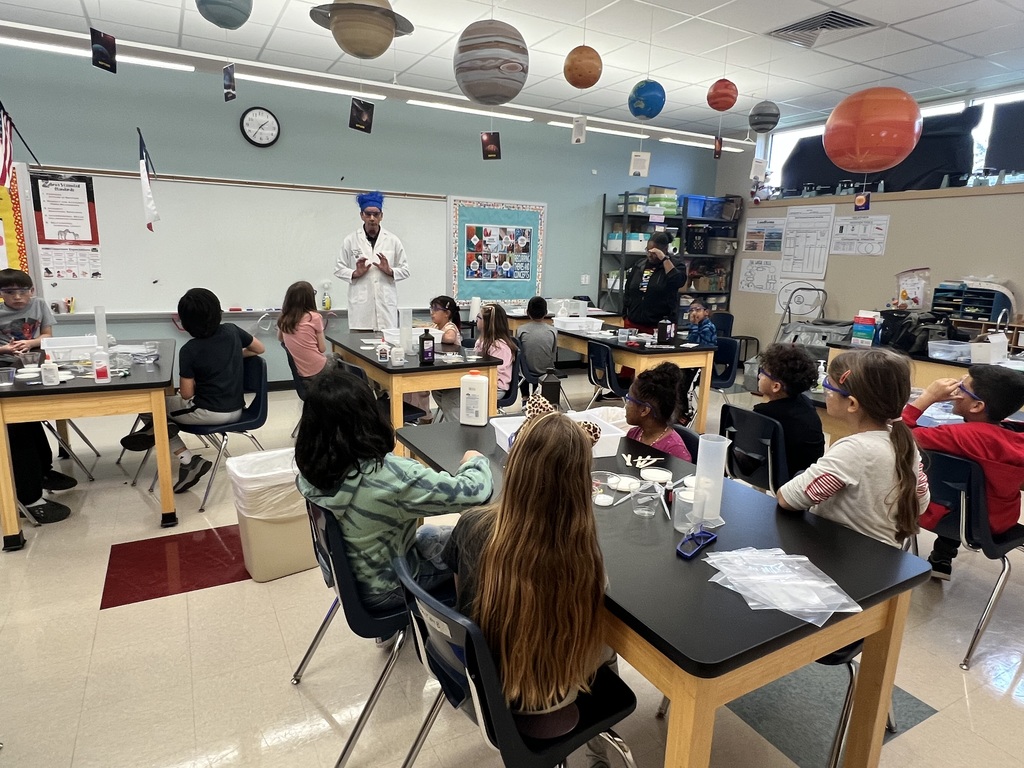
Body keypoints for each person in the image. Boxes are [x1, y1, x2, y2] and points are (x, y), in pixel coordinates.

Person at [441, 411, 613, 760]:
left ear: (514, 467)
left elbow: (463, 601)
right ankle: (600, 750)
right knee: (610, 642)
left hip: (487, 687)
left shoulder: (472, 524)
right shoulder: (585, 559)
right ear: (582, 484)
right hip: (559, 698)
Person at [295, 363, 493, 614]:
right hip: (392, 585)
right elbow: (476, 492)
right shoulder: (390, 478)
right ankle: (472, 626)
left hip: (354, 581)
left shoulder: (312, 471)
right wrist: (475, 460)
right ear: (369, 417)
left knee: (432, 533)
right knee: (478, 538)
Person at [777, 348, 930, 547]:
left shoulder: (854, 450)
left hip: (842, 554)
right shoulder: (904, 442)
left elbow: (788, 498)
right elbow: (922, 502)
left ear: (851, 403)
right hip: (884, 555)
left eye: (828, 387)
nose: (826, 393)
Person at [120, 288, 266, 494]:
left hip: (209, 412)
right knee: (163, 415)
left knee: (149, 406)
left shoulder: (190, 350)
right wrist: (232, 356)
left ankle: (187, 459)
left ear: (185, 323)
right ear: (218, 312)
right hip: (239, 410)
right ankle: (159, 428)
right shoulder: (232, 330)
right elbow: (259, 349)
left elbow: (187, 394)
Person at [901, 365, 1024, 580]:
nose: (955, 391)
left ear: (977, 406)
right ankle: (942, 555)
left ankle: (942, 555)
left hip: (936, 512)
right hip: (993, 523)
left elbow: (896, 435)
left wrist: (927, 397)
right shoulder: (1009, 439)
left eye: (962, 388)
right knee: (970, 492)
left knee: (961, 492)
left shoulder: (958, 436)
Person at [0, 268, 77, 523]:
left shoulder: (40, 305)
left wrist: (30, 344)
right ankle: (29, 496)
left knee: (33, 418)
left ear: (32, 291)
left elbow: (47, 337)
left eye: (23, 291)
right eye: (10, 293)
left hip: (34, 365)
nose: (18, 297)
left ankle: (42, 471)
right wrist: (7, 348)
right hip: (5, 373)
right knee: (18, 424)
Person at [335, 190, 410, 331]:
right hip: (361, 314)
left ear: (381, 216)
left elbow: (405, 270)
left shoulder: (393, 240)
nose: (371, 218)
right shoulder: (351, 240)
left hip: (386, 312)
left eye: (376, 214)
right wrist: (355, 273)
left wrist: (389, 271)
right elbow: (338, 268)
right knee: (358, 348)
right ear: (361, 215)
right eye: (368, 214)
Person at [434, 303, 516, 422]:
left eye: (479, 317)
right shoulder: (482, 341)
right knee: (438, 390)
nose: (476, 320)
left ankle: (457, 428)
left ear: (488, 323)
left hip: (494, 387)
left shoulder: (500, 347)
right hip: (479, 380)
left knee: (450, 397)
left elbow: (494, 374)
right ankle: (460, 418)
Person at [753, 343, 825, 476]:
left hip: (776, 476)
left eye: (763, 373)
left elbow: (753, 453)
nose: (759, 376)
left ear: (776, 386)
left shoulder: (763, 413)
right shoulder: (807, 405)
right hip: (807, 477)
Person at [625, 362, 691, 460]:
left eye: (629, 400)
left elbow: (684, 474)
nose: (626, 406)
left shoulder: (675, 451)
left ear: (644, 410)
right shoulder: (633, 434)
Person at [622, 231, 685, 334]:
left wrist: (664, 259)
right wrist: (625, 314)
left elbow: (678, 281)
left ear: (664, 250)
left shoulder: (677, 266)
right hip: (633, 324)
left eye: (654, 253)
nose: (650, 255)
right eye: (648, 251)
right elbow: (628, 289)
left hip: (659, 326)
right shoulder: (639, 265)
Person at [676, 298, 718, 424]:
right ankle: (677, 409)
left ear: (706, 312)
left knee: (685, 385)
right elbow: (690, 341)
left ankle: (687, 413)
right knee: (676, 378)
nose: (694, 313)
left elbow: (700, 345)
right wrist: (693, 326)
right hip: (691, 362)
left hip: (704, 365)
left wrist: (694, 325)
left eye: (698, 309)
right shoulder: (694, 326)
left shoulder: (709, 326)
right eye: (691, 310)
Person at [277, 280, 326, 381]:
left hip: (301, 372)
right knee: (337, 357)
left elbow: (280, 339)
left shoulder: (284, 318)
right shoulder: (314, 317)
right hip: (318, 369)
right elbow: (322, 348)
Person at [515, 295, 557, 399]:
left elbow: (518, 352)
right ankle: (536, 396)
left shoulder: (521, 330)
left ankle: (525, 397)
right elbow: (553, 352)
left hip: (526, 371)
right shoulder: (553, 331)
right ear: (546, 312)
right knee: (542, 360)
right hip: (547, 372)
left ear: (527, 312)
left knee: (521, 363)